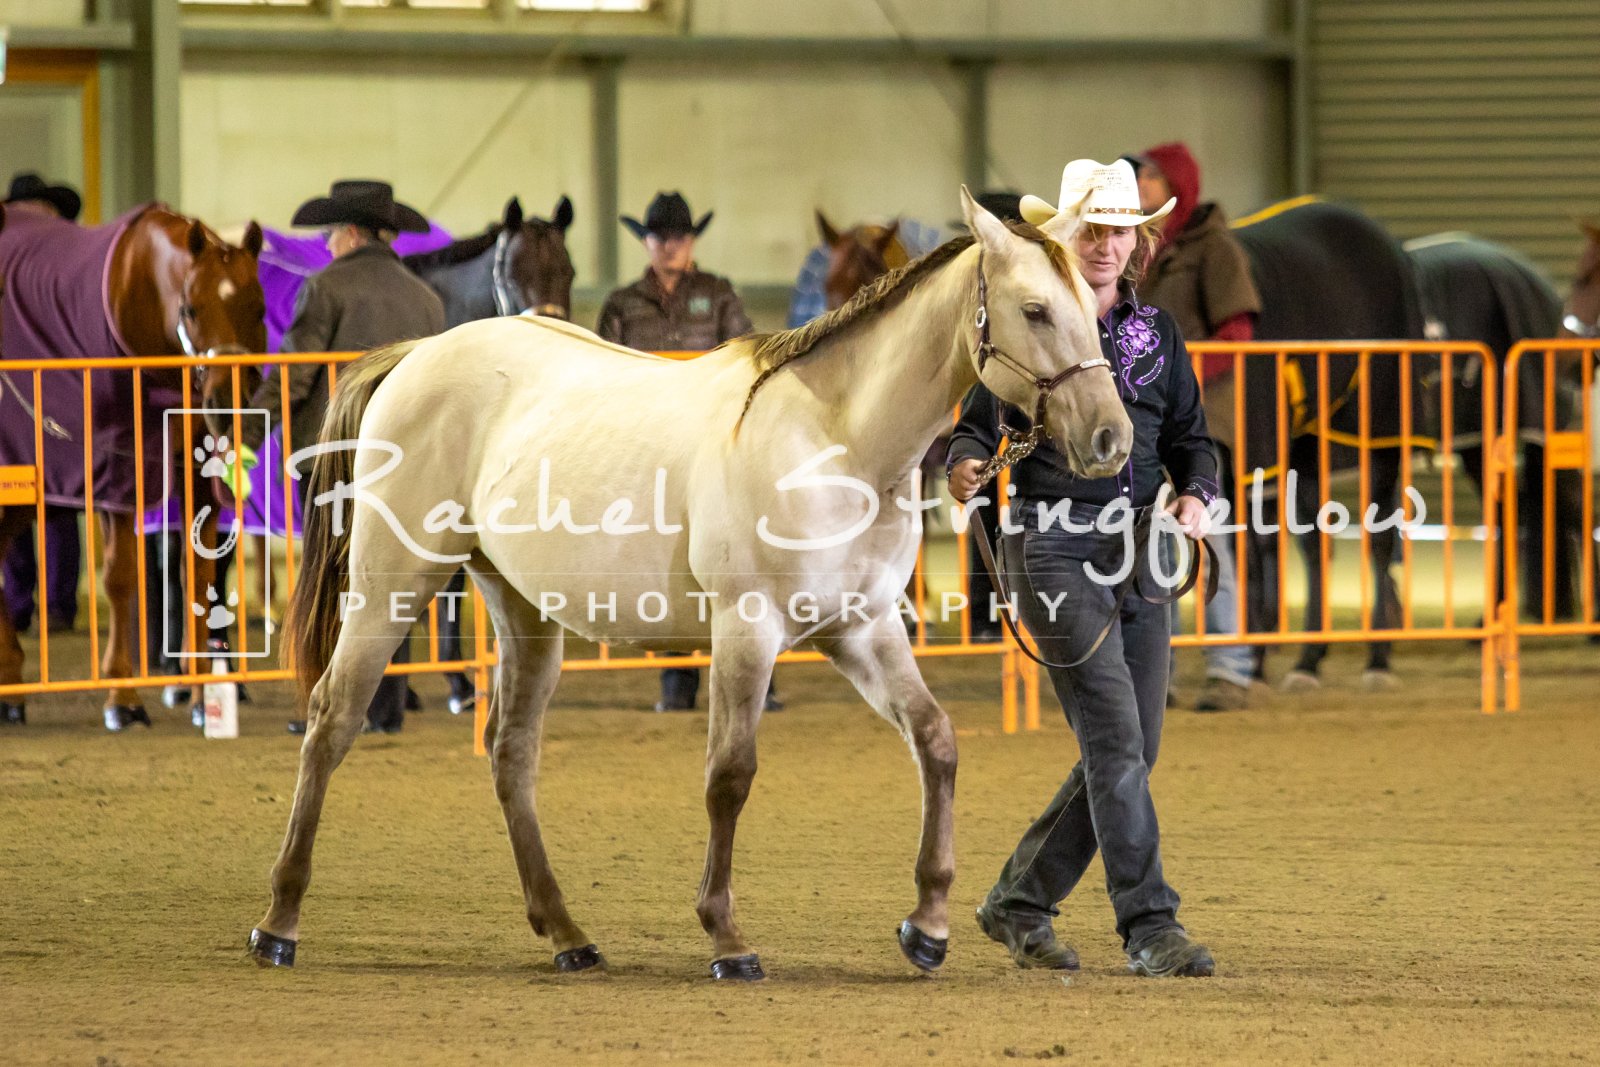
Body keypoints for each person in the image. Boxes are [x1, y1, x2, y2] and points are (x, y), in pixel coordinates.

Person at [948, 158, 1217, 978]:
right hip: (1052, 545)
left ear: (1139, 243)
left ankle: (1020, 898)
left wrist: (1197, 493)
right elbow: (974, 424)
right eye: (1091, 229)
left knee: (1133, 745)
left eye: (1120, 231)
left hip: (1140, 549)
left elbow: (1192, 438)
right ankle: (1149, 923)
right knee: (1116, 738)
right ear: (1065, 235)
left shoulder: (1158, 335)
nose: (1105, 244)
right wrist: (964, 462)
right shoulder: (1032, 319)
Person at [241, 180, 445, 736]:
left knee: (331, 581)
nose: (327, 244)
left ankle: (332, 708)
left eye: (330, 234)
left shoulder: (325, 288)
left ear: (352, 233)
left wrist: (244, 438)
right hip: (406, 465)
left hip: (333, 461)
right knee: (394, 581)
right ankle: (386, 707)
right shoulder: (426, 299)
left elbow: (294, 376)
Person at [596, 191, 780, 714]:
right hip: (650, 446)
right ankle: (678, 680)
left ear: (691, 241)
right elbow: (604, 372)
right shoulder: (621, 303)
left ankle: (756, 678)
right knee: (669, 561)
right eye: (660, 237)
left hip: (715, 445)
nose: (669, 246)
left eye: (678, 237)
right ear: (647, 242)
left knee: (741, 560)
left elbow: (747, 358)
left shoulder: (718, 295)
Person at [1127, 143, 1263, 712]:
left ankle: (1230, 668)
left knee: (1208, 541)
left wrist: (1180, 381)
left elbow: (1237, 332)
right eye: (1140, 176)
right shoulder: (1136, 245)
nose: (1141, 184)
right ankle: (1162, 671)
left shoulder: (1214, 247)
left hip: (1200, 421)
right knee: (1155, 546)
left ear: (1176, 184)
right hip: (1146, 421)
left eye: (1152, 177)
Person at [1, 174, 85, 635]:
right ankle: (22, 604)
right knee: (14, 497)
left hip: (56, 397)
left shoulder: (65, 267)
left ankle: (54, 605)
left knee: (56, 500)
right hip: (15, 397)